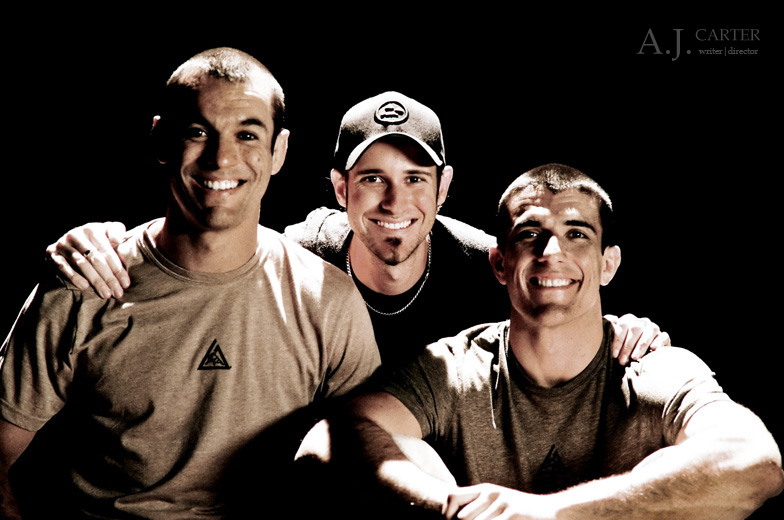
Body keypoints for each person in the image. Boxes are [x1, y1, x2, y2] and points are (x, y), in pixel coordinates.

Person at [0, 47, 381, 519]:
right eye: (198, 132)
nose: (222, 159)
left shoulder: (328, 300)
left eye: (247, 134)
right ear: (161, 140)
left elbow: (366, 461)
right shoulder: (85, 281)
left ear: (278, 151)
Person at [295, 163, 784, 519]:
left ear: (608, 264)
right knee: (407, 455)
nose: (552, 253)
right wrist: (451, 506)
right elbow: (324, 445)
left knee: (686, 475)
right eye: (531, 234)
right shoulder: (454, 368)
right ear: (500, 263)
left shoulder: (652, 367)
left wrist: (550, 513)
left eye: (576, 234)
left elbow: (754, 463)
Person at [44, 91, 668, 369]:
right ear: (340, 189)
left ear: (444, 189)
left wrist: (627, 329)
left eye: (416, 179)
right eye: (371, 179)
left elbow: (561, 300)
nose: (394, 200)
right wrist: (105, 238)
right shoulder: (300, 257)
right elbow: (213, 248)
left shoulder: (487, 266)